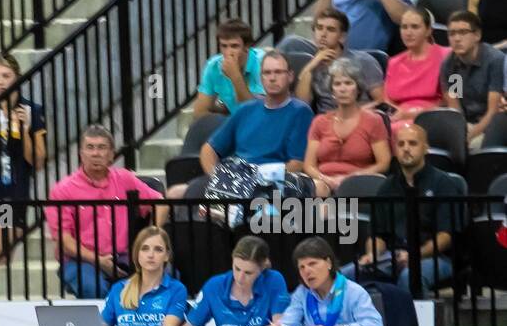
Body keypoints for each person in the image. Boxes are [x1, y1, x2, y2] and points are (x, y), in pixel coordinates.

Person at [166, 51, 313, 199]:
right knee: (175, 193)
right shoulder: (246, 109)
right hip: (235, 177)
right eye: (267, 73)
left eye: (278, 72)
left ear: (290, 76)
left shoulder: (300, 112)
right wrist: (218, 178)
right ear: (261, 78)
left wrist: (257, 179)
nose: (272, 78)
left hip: (270, 183)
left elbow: (296, 164)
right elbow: (208, 150)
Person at [45, 125, 167, 299]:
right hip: (81, 260)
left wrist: (150, 237)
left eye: (102, 148)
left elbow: (161, 203)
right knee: (93, 288)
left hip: (125, 256)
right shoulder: (63, 190)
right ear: (81, 154)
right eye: (90, 147)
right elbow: (65, 242)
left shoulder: (125, 179)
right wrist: (98, 260)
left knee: (168, 277)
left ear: (111, 154)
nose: (96, 153)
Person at [345, 124, 459, 294]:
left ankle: (414, 321)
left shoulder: (443, 184)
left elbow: (446, 236)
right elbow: (377, 234)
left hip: (436, 257)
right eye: (401, 144)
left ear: (425, 148)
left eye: (412, 143)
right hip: (392, 256)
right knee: (345, 275)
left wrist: (415, 255)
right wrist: (373, 254)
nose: (406, 149)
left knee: (410, 277)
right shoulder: (387, 187)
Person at [0, 53, 47, 297]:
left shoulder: (31, 110)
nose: (1, 82)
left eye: (6, 76)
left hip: (14, 189)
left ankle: (0, 298)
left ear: (17, 78)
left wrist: (24, 130)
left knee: (2, 251)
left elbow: (37, 161)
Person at [305, 58, 391, 196]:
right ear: (332, 90)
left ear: (358, 89)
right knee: (315, 189)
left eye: (348, 83)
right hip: (324, 183)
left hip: (358, 183)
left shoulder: (373, 121)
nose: (343, 89)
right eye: (337, 84)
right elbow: (309, 165)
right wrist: (325, 179)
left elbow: (383, 163)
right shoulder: (319, 122)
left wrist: (351, 177)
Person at [179, 235, 291, 326]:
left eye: (248, 273)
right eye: (237, 268)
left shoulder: (274, 280)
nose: (240, 278)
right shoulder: (214, 286)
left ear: (262, 269)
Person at [271, 236, 384, 326]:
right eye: (302, 267)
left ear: (329, 263)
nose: (307, 271)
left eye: (312, 264)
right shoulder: (301, 293)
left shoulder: (353, 291)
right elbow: (289, 324)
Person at [99, 226, 188, 326]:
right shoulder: (118, 289)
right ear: (137, 254)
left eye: (158, 249)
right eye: (145, 249)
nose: (151, 255)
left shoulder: (176, 289)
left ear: (167, 255)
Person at [294, 7, 386, 113]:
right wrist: (311, 66)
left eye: (330, 29)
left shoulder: (364, 61)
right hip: (325, 123)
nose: (323, 34)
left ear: (342, 36)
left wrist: (352, 114)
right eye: (319, 28)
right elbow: (303, 104)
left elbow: (381, 100)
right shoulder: (311, 66)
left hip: (360, 118)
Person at [440, 10, 505, 146]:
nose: (457, 39)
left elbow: (493, 111)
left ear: (477, 35)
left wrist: (469, 136)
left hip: (492, 123)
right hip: (466, 123)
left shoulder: (494, 60)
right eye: (452, 34)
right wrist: (461, 134)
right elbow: (455, 107)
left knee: (474, 146)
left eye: (463, 32)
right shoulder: (450, 64)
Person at [383, 7, 453, 133]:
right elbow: (387, 100)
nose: (408, 33)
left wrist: (413, 114)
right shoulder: (393, 62)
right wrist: (399, 113)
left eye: (415, 27)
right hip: (398, 118)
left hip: (434, 118)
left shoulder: (449, 56)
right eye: (404, 27)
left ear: (428, 31)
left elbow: (457, 97)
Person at [193, 18, 265, 117]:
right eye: (224, 46)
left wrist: (235, 76)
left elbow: (254, 113)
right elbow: (200, 112)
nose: (228, 52)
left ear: (247, 46)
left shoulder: (262, 63)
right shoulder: (213, 66)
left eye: (234, 46)